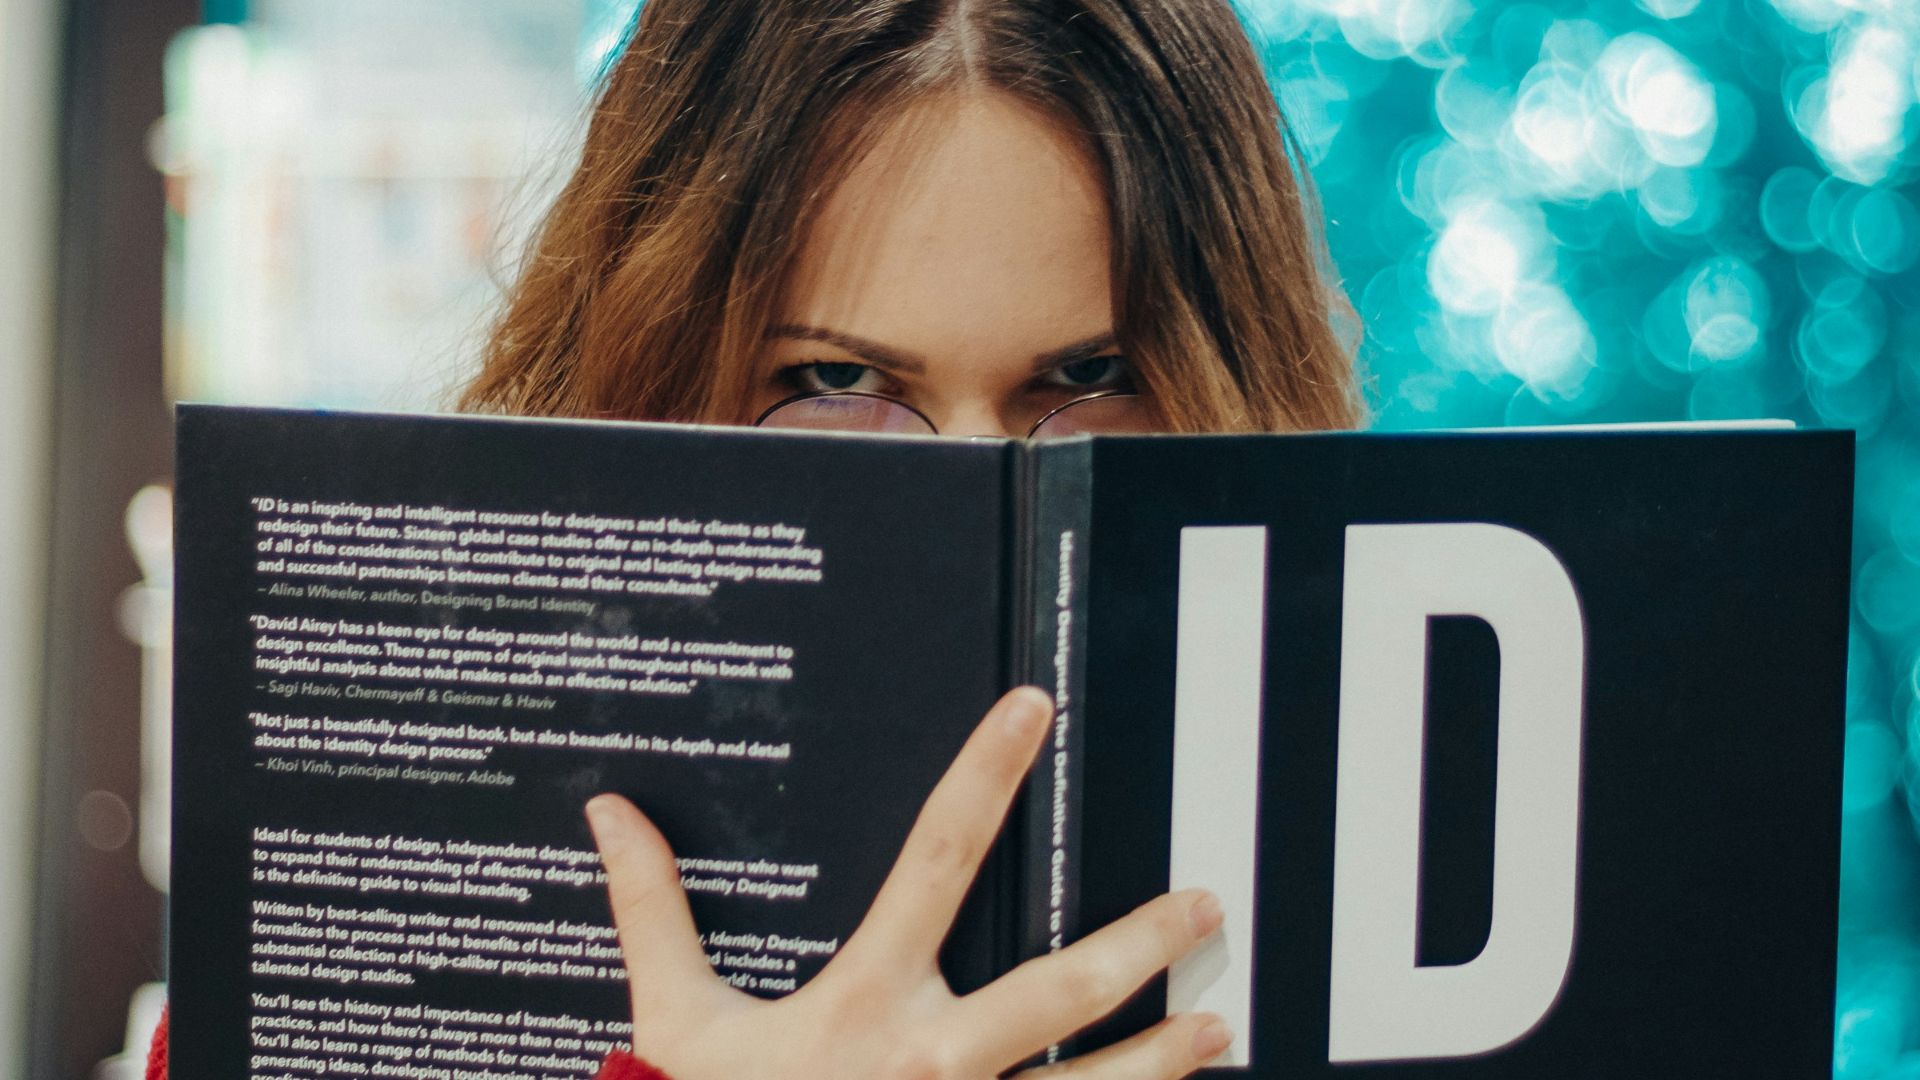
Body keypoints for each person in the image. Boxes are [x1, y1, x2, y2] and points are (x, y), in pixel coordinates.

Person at [150, 1, 1365, 1077]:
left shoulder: (1395, 823)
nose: (968, 482)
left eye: (1094, 375)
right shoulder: (359, 884)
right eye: (836, 376)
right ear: (650, 364)